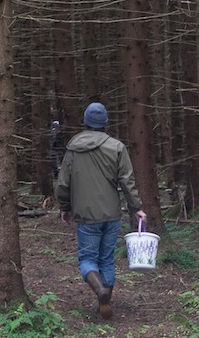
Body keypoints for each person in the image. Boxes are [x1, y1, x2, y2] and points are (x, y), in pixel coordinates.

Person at [55, 102, 146, 321]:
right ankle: (104, 302)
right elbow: (127, 181)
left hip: (85, 215)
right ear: (105, 123)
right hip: (112, 214)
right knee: (106, 260)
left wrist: (65, 207)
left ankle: (99, 292)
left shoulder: (73, 147)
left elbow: (63, 183)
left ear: (86, 122)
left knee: (87, 258)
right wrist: (137, 208)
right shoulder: (117, 147)